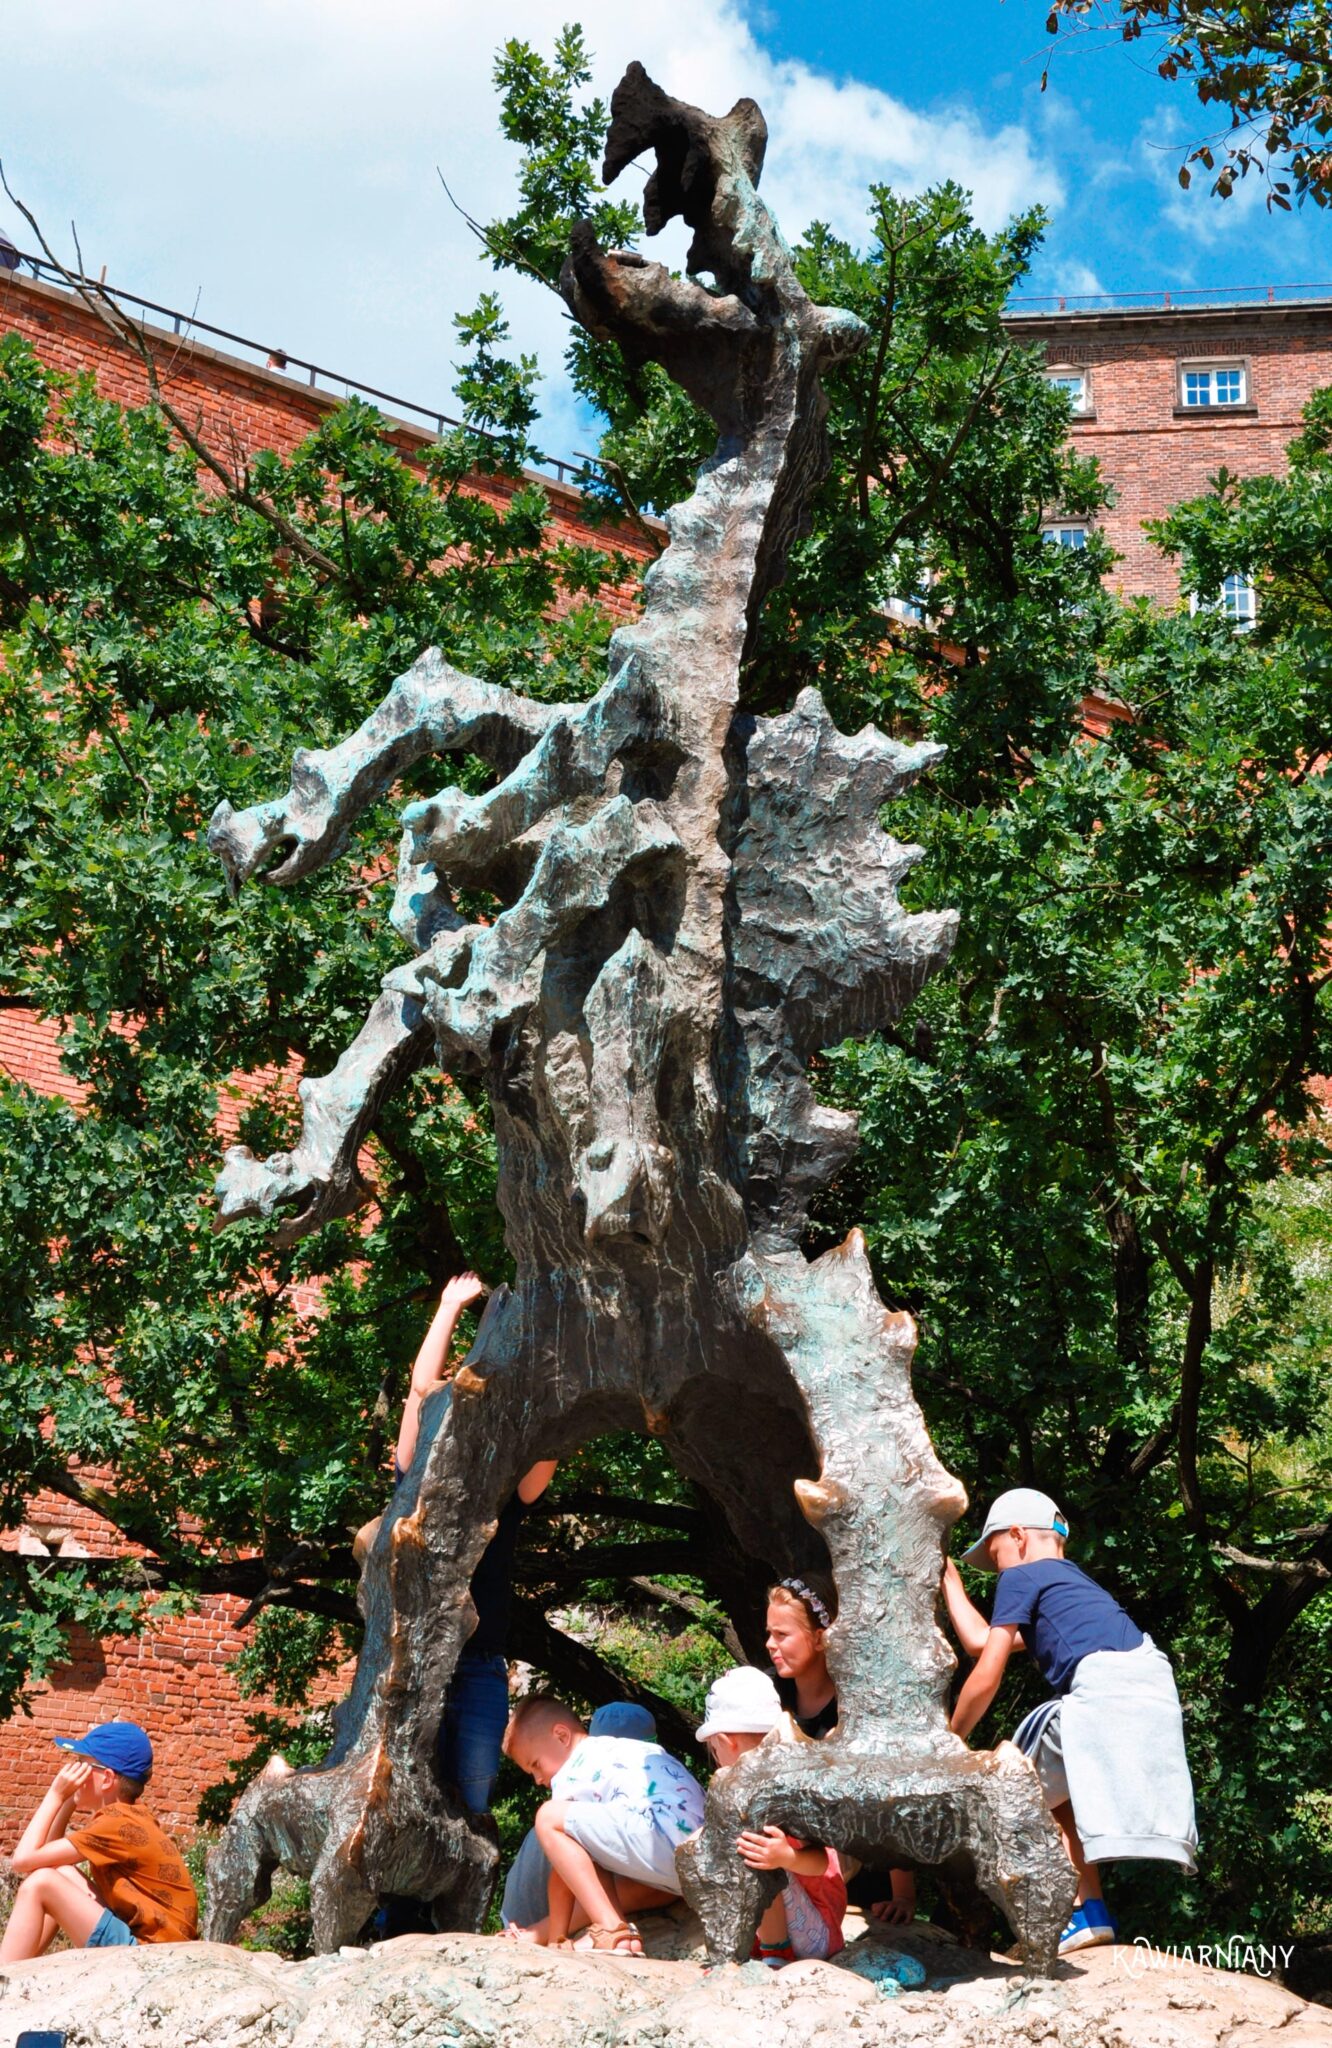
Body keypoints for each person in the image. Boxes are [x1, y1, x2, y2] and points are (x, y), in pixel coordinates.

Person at [942, 1486, 1198, 1957]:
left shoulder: (1023, 1577)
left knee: (1004, 1792)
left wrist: (950, 1739)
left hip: (1104, 1694)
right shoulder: (1075, 1586)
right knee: (1059, 1795)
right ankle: (1091, 1913)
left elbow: (986, 1672)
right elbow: (982, 1640)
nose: (997, 1568)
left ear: (1017, 1535)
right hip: (1150, 1693)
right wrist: (950, 1584)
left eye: (995, 1554)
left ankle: (1048, 1923)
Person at [353, 1272, 557, 1818]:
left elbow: (553, 1436)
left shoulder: (505, 1491)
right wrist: (447, 1306)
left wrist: (542, 1370)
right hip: (411, 1659)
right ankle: (396, 1908)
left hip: (479, 1664)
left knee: (471, 1798)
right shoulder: (416, 1484)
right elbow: (421, 1391)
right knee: (395, 1797)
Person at [766, 1574, 916, 1927]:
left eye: (782, 1635)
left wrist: (903, 1896)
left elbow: (890, 1794)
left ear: (820, 1638)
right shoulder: (768, 1697)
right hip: (784, 1860)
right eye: (769, 1633)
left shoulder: (855, 1707)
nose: (770, 1644)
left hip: (852, 1868)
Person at [500, 1693, 705, 1953]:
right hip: (698, 1850)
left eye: (536, 1765)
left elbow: (562, 1876)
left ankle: (611, 1927)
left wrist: (557, 1939)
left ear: (561, 1736)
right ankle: (623, 1940)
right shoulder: (623, 1750)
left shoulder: (574, 1770)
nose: (538, 1779)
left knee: (548, 1816)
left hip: (657, 1832)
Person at [0, 1721, 198, 1959]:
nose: (73, 1772)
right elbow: (43, 1859)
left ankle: (7, 1973)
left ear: (106, 1778)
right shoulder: (129, 1815)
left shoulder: (117, 1823)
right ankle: (22, 1964)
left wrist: (55, 1796)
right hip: (152, 1943)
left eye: (82, 1765)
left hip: (149, 1952)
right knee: (60, 1873)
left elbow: (22, 1861)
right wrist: (68, 1802)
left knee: (41, 1883)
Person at [693, 1665, 847, 1968]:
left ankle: (776, 1951)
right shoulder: (743, 1791)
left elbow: (821, 1862)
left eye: (713, 1749)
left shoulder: (791, 1786)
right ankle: (754, 1943)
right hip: (783, 1924)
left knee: (752, 1847)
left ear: (725, 1742)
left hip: (816, 1934)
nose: (716, 1759)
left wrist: (786, 1857)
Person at [499, 1701, 657, 1931]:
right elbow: (641, 1891)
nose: (538, 1780)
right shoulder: (578, 1804)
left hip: (523, 1922)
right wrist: (546, 1935)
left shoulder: (572, 1802)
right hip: (531, 1922)